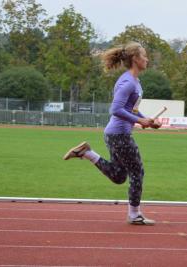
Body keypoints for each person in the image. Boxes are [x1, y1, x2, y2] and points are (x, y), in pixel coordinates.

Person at [63, 42, 162, 225]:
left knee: (119, 176)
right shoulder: (128, 83)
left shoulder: (134, 81)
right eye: (144, 56)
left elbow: (130, 110)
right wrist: (140, 121)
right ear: (135, 59)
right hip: (119, 135)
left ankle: (86, 152)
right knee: (137, 173)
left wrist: (147, 120)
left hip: (115, 134)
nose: (147, 59)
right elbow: (115, 109)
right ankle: (134, 215)